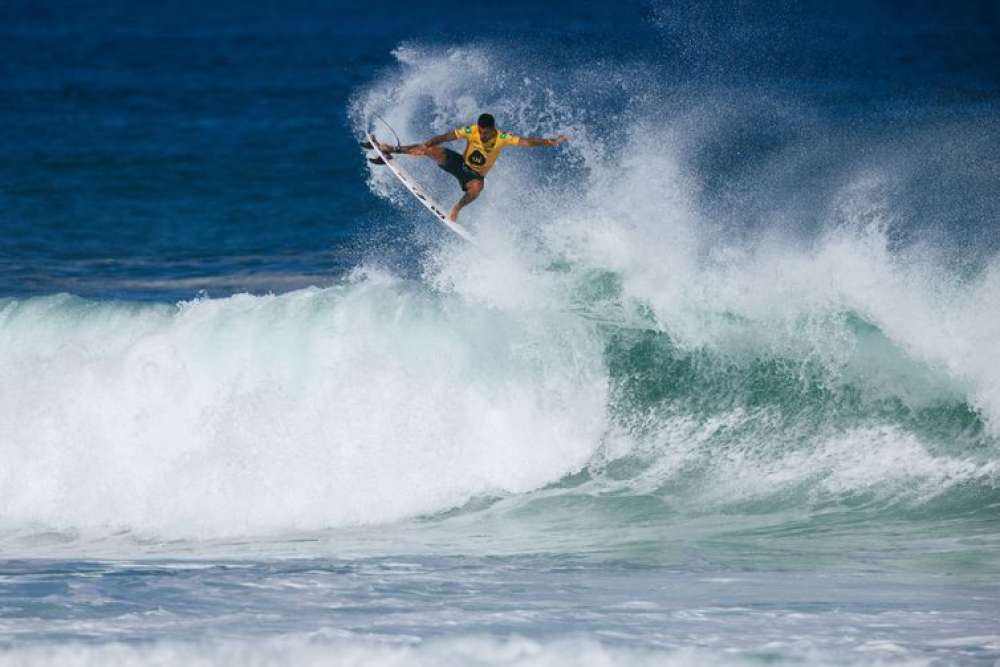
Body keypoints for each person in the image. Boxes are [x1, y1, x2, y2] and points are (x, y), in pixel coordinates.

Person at [376, 113, 568, 222]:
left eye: (486, 132)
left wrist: (551, 142)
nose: (482, 135)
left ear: (493, 128)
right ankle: (390, 149)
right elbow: (447, 136)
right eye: (481, 131)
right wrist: (427, 144)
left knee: (478, 188)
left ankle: (457, 208)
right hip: (459, 163)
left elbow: (527, 142)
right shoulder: (471, 130)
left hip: (473, 176)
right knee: (434, 149)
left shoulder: (503, 137)